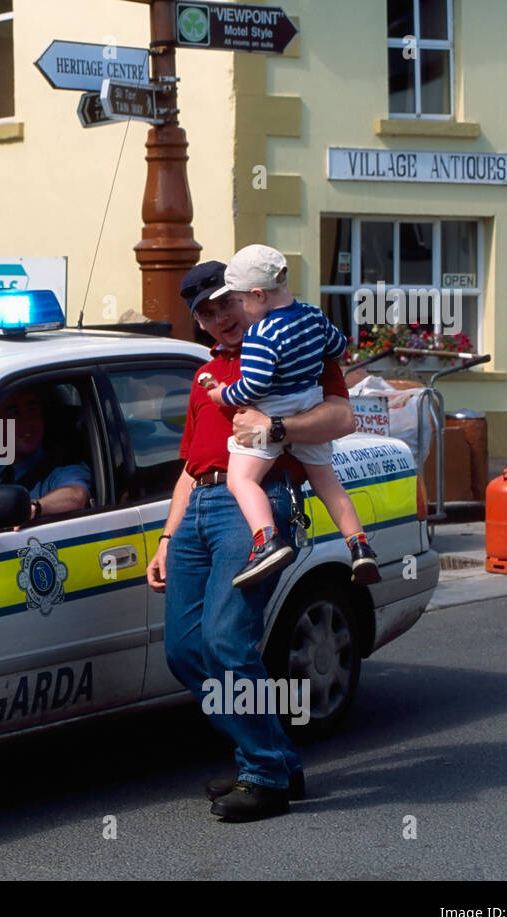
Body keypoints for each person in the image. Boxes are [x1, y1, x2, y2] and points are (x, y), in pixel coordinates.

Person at [146, 259, 355, 822]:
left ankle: (262, 772)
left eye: (225, 305)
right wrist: (169, 536)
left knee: (227, 643)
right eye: (206, 314)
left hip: (254, 504)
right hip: (199, 510)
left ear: (248, 298)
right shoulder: (205, 374)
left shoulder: (293, 349)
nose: (220, 320)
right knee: (185, 651)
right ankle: (277, 759)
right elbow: (191, 465)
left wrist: (277, 429)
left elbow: (342, 418)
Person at [200, 244, 379, 588]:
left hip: (273, 409)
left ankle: (267, 540)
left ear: (257, 295)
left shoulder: (260, 335)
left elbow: (252, 388)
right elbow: (339, 347)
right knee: (328, 482)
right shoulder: (313, 315)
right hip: (311, 401)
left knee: (241, 479)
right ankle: (359, 545)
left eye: (239, 300)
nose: (239, 308)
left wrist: (221, 394)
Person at [0, 388, 91, 525]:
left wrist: (33, 508)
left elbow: (76, 496)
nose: (28, 421)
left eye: (32, 410)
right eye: (14, 413)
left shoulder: (62, 467)